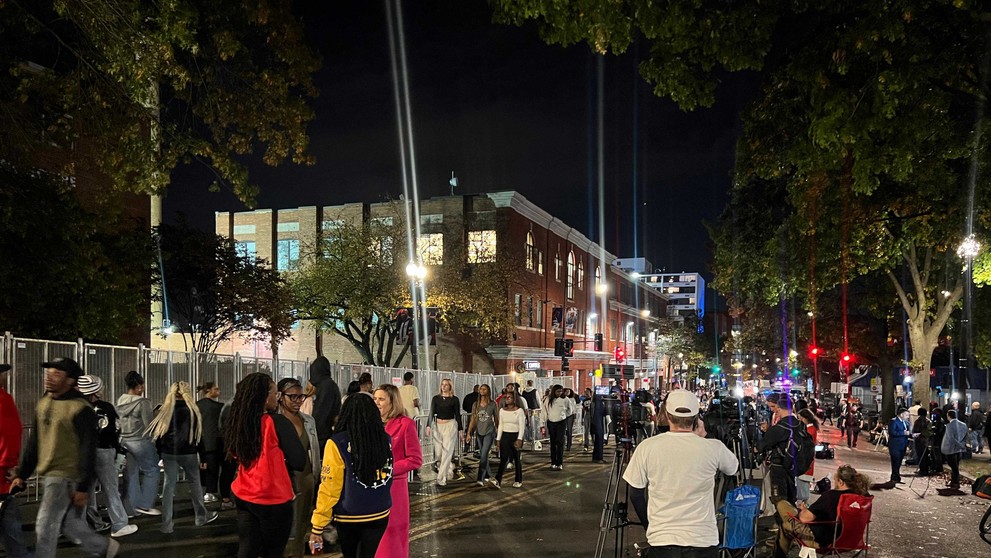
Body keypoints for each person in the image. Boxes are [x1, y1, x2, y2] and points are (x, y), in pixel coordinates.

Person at [11, 358, 117, 558]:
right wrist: (23, 474)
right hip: (50, 472)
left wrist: (83, 486)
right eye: (48, 373)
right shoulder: (44, 403)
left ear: (70, 380)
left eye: (56, 374)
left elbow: (88, 448)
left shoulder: (80, 409)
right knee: (69, 524)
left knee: (45, 525)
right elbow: (36, 441)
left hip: (66, 474)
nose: (49, 378)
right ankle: (103, 547)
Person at [624, 390, 739, 557]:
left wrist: (649, 526)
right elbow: (733, 467)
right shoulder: (714, 447)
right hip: (703, 539)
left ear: (667, 416)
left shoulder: (647, 447)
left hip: (662, 539)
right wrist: (705, 435)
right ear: (696, 418)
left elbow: (635, 493)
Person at [227, 373, 306, 558]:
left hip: (244, 494)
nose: (276, 397)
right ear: (263, 396)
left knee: (247, 549)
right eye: (274, 393)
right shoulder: (276, 422)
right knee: (273, 552)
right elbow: (299, 461)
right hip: (273, 498)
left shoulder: (238, 421)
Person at [309, 395, 394, 558]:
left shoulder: (337, 443)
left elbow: (330, 487)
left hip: (350, 515)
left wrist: (317, 526)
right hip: (380, 512)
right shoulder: (384, 439)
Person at [147, 381, 218, 533]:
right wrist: (203, 457)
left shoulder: (165, 410)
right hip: (189, 452)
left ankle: (167, 524)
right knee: (195, 484)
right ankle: (200, 517)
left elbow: (159, 435)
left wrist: (160, 453)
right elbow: (199, 436)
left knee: (168, 486)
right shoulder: (192, 410)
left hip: (169, 453)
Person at [77, 375, 137, 538]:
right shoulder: (106, 408)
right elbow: (115, 430)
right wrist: (118, 451)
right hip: (104, 451)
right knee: (111, 489)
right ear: (95, 391)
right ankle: (119, 524)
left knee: (85, 490)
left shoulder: (75, 407)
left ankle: (86, 524)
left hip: (82, 453)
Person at [774, 465, 872, 557]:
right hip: (851, 541)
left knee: (785, 517)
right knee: (788, 518)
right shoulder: (862, 497)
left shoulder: (831, 496)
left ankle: (778, 555)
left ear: (841, 482)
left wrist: (803, 510)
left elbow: (805, 518)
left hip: (824, 541)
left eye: (836, 480)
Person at [373, 385, 423, 558]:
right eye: (375, 398)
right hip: (371, 488)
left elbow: (415, 459)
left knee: (391, 538)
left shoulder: (405, 424)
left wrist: (389, 469)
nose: (377, 403)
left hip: (394, 489)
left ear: (392, 401)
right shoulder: (370, 424)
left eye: (381, 399)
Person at [277, 378, 321, 558]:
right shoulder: (274, 421)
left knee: (302, 524)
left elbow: (315, 450)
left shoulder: (308, 421)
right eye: (292, 397)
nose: (297, 401)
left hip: (306, 479)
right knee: (283, 527)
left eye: (300, 397)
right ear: (280, 397)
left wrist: (317, 476)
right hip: (283, 481)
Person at [117, 370, 161, 517]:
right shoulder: (143, 403)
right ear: (139, 387)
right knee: (152, 470)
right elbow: (148, 425)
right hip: (140, 441)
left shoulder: (120, 401)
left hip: (125, 441)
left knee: (131, 474)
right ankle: (145, 504)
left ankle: (131, 508)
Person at [0, 363, 32, 558]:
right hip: (3, 476)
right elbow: (8, 435)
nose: (4, 375)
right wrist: (11, 467)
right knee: (12, 530)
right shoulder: (3, 400)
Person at [757, 393, 801, 505]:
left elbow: (763, 445)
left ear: (780, 409)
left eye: (775, 408)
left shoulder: (780, 427)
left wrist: (756, 449)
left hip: (779, 465)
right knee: (790, 495)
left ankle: (783, 519)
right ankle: (791, 516)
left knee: (780, 498)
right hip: (793, 464)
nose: (774, 411)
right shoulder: (800, 424)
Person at [428, 379, 462, 486]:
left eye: (446, 385)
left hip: (450, 425)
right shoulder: (436, 398)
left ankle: (441, 477)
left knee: (446, 452)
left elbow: (458, 414)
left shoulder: (454, 399)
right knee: (438, 453)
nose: (444, 386)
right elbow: (431, 412)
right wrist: (428, 425)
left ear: (450, 387)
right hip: (438, 426)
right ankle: (449, 466)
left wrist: (460, 430)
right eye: (442, 384)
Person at [196, 382, 224, 504]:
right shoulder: (219, 407)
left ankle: (204, 490)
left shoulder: (197, 405)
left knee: (204, 466)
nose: (218, 391)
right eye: (216, 389)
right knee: (214, 467)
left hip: (201, 440)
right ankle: (210, 492)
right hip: (215, 440)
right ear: (208, 390)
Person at [310, 356, 343, 454]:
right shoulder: (327, 385)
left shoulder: (326, 387)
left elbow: (321, 413)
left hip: (322, 437)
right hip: (324, 435)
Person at [493, 390, 526, 488]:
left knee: (516, 458)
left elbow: (522, 426)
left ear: (514, 399)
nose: (507, 399)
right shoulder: (502, 410)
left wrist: (519, 439)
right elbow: (501, 426)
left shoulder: (519, 411)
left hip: (515, 435)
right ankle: (498, 479)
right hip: (505, 436)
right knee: (503, 459)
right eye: (506, 397)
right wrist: (498, 439)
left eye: (509, 397)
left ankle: (518, 480)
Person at [466, 384, 498, 485]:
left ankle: (480, 478)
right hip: (479, 432)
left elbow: (497, 419)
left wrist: (499, 434)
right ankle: (488, 475)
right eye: (481, 389)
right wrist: (469, 433)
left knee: (484, 455)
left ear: (488, 391)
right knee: (483, 456)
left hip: (489, 431)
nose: (482, 390)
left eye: (484, 389)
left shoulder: (493, 404)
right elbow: (473, 419)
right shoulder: (476, 404)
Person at [544, 384, 575, 470]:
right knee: (553, 443)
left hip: (561, 422)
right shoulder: (548, 399)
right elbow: (544, 410)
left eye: (561, 391)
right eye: (558, 391)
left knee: (560, 442)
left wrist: (564, 415)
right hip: (551, 422)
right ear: (554, 391)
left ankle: (559, 462)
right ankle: (553, 462)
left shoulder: (565, 399)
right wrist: (543, 422)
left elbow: (570, 410)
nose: (560, 393)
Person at [796, 408, 819, 502]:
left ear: (804, 419)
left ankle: (804, 504)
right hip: (806, 457)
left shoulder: (809, 430)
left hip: (806, 458)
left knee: (803, 483)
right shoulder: (811, 428)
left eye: (800, 418)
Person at [887, 407, 914, 484]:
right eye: (906, 415)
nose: (908, 417)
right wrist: (903, 433)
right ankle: (895, 477)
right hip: (895, 445)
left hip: (903, 445)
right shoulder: (894, 421)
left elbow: (908, 433)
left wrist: (912, 435)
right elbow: (892, 432)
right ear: (901, 414)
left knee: (899, 461)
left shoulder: (906, 423)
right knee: (895, 460)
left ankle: (896, 476)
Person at [942, 409, 968, 490]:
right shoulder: (963, 424)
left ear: (948, 416)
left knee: (954, 466)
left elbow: (951, 439)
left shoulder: (949, 426)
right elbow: (966, 436)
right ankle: (954, 481)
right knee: (955, 465)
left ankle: (955, 483)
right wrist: (962, 445)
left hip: (951, 449)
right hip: (959, 449)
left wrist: (959, 445)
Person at [912, 407, 934, 475]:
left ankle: (922, 469)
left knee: (920, 455)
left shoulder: (917, 421)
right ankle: (926, 469)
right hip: (926, 441)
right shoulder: (928, 421)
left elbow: (914, 431)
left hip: (918, 440)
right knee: (925, 455)